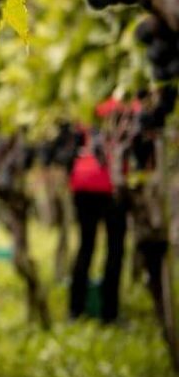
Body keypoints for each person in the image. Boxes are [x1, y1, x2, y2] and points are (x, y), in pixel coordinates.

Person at [67, 125, 126, 323]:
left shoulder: (84, 119)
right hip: (111, 186)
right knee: (115, 250)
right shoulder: (125, 114)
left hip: (82, 185)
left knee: (86, 245)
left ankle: (75, 311)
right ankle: (110, 314)